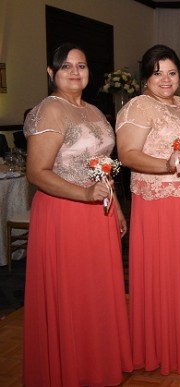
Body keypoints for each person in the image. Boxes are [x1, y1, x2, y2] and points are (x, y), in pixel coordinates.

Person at [23, 42, 132, 386]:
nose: (74, 72)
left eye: (81, 66)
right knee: (72, 293)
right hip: (64, 214)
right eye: (66, 66)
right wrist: (84, 194)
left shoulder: (95, 112)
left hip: (97, 212)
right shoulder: (49, 110)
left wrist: (114, 207)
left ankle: (96, 362)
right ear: (51, 72)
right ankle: (70, 369)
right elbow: (37, 172)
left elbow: (103, 167)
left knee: (96, 293)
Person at [116, 44, 180, 375]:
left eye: (171, 73)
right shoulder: (137, 108)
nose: (165, 79)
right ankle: (161, 345)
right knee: (164, 271)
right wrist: (167, 164)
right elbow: (127, 154)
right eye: (157, 73)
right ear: (145, 78)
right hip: (159, 203)